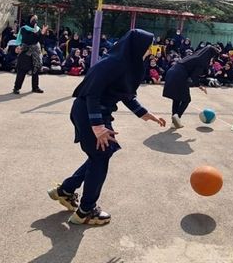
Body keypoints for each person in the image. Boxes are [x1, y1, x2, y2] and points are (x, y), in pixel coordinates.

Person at [48, 29, 165, 226]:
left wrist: (146, 114)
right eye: (149, 45)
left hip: (98, 113)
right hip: (88, 112)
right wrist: (98, 126)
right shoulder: (112, 63)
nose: (151, 50)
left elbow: (126, 94)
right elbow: (92, 94)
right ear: (138, 46)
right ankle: (86, 211)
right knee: (100, 156)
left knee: (99, 155)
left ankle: (65, 191)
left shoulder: (129, 64)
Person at [163, 45, 220, 129]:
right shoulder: (202, 62)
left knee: (177, 98)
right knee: (186, 100)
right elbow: (194, 77)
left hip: (172, 72)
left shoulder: (194, 56)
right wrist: (200, 86)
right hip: (180, 76)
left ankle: (174, 122)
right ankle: (177, 116)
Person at [13, 15, 47, 94]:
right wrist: (34, 33)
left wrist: (42, 33)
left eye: (36, 19)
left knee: (35, 70)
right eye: (33, 19)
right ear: (29, 19)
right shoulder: (24, 28)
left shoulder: (37, 29)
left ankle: (35, 87)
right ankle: (16, 88)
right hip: (26, 51)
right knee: (22, 70)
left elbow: (40, 40)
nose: (35, 20)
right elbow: (27, 40)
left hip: (35, 52)